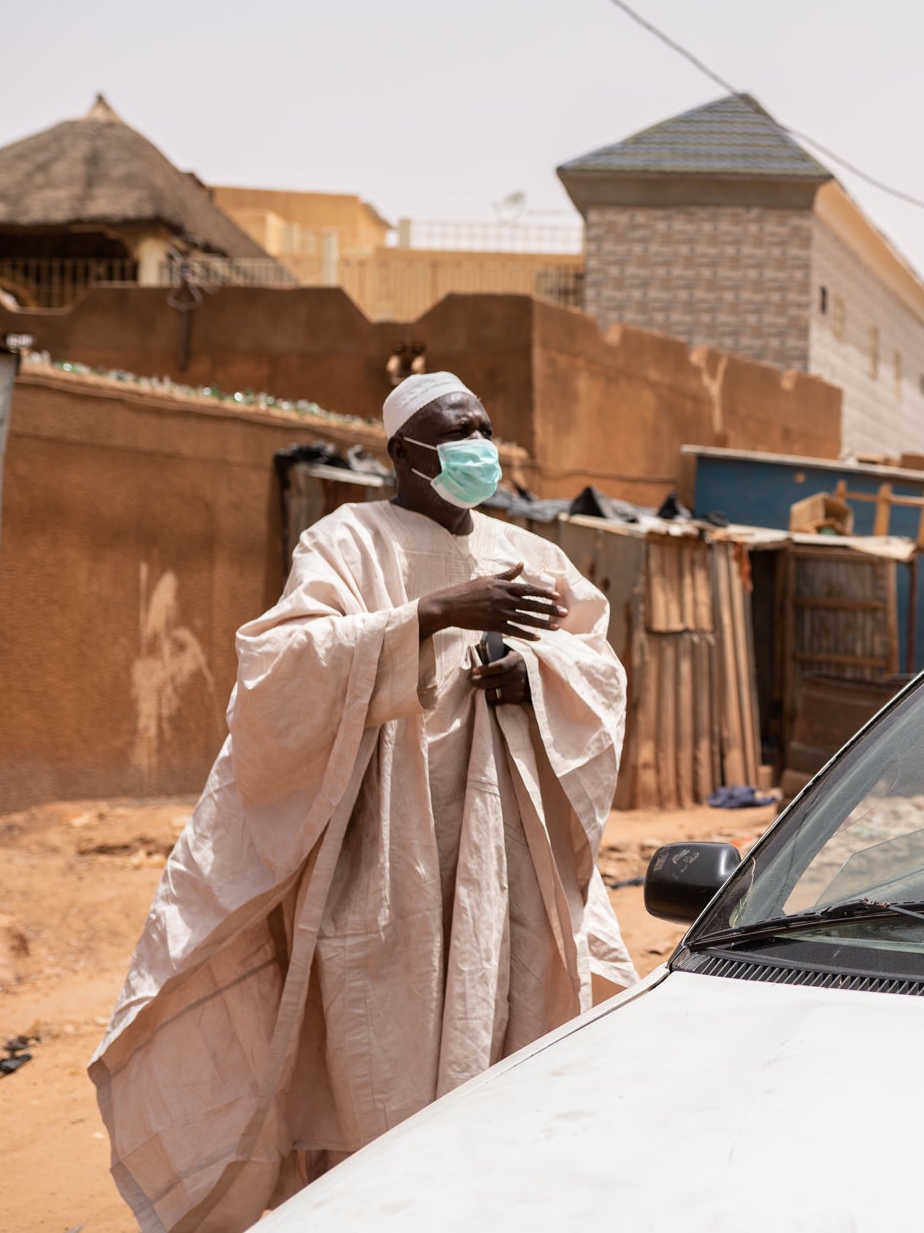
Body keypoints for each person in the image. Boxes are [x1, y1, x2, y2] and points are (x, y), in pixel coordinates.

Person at [91, 372, 637, 1233]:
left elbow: (597, 667)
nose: (477, 445)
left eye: (484, 426)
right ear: (404, 454)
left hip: (502, 853)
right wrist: (426, 614)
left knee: (510, 1023)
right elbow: (277, 668)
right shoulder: (346, 541)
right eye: (456, 432)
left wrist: (531, 672)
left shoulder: (533, 554)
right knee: (381, 1045)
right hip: (382, 852)